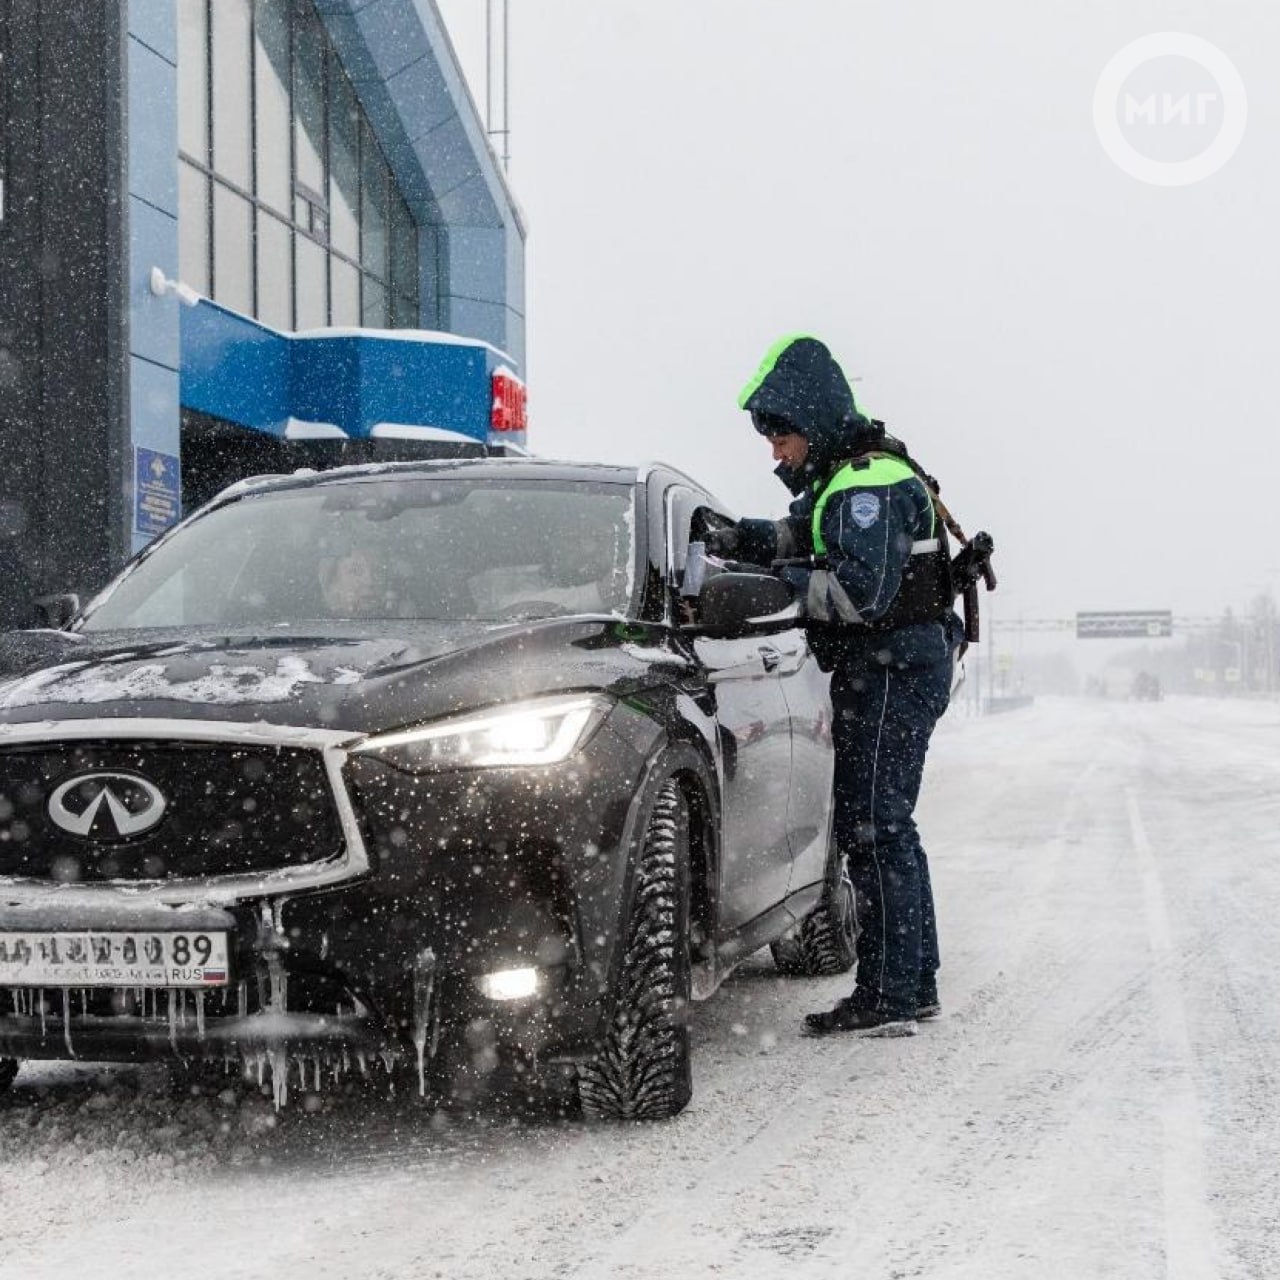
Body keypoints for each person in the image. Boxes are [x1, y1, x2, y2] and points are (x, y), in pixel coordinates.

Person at [707, 334, 966, 1038]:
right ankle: (913, 984)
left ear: (811, 420)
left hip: (892, 670)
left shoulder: (865, 485)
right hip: (891, 667)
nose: (776, 452)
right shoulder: (841, 482)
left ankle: (890, 995)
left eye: (780, 436)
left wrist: (775, 587)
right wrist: (736, 538)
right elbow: (799, 537)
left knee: (876, 826)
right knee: (885, 825)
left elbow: (859, 594)